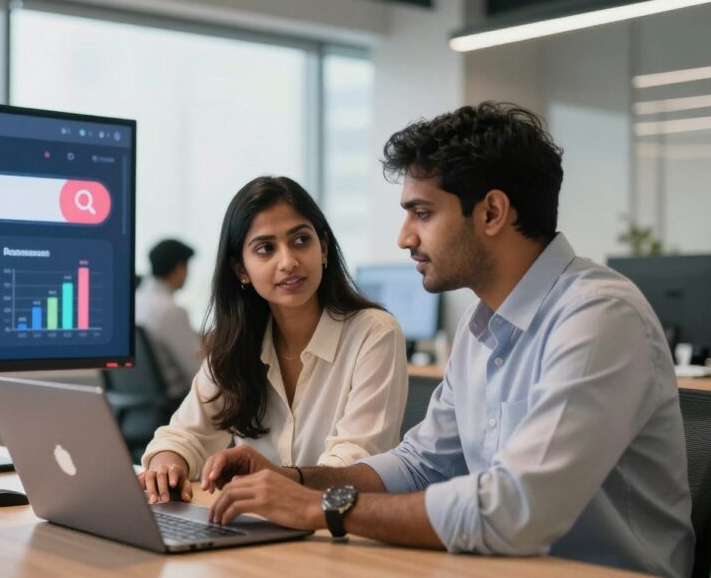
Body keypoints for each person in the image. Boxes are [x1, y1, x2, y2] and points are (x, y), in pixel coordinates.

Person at [201, 104, 694, 578]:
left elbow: (514, 511)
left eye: (422, 213)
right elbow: (421, 464)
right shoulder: (481, 327)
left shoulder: (598, 317)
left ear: (492, 212)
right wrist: (301, 480)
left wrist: (323, 507)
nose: (404, 237)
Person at [139, 176, 409, 505]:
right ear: (241, 269)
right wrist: (166, 465)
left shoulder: (374, 334)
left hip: (338, 530)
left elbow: (354, 466)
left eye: (301, 240)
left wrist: (282, 482)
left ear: (323, 248)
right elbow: (184, 434)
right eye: (265, 248)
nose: (288, 261)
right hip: (259, 530)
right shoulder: (238, 343)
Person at [136, 239, 202, 399]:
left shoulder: (136, 301)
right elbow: (198, 373)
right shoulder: (170, 310)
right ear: (179, 268)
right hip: (175, 404)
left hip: (141, 406)